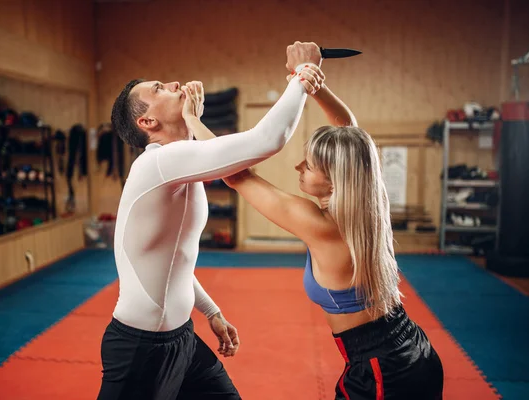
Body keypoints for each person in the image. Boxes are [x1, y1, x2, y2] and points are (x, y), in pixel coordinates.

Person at [192, 66, 445, 399]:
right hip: (408, 352)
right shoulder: (368, 205)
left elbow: (237, 176)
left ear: (333, 179)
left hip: (384, 372)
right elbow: (350, 134)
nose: (298, 167)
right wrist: (315, 85)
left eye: (308, 165)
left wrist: (192, 120)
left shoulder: (322, 226)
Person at [97, 41, 325, 400]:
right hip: (140, 348)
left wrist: (211, 311)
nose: (173, 84)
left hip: (181, 340)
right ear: (147, 122)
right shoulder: (155, 163)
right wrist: (302, 75)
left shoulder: (181, 164)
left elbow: (176, 260)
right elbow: (267, 140)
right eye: (159, 88)